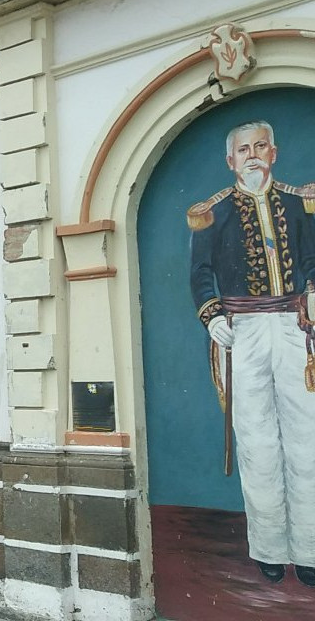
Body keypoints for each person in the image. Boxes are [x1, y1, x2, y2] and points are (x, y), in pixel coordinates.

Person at [188, 120, 315, 586]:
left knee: (307, 440)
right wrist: (213, 315)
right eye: (244, 149)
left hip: (296, 327)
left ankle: (309, 550)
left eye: (261, 146)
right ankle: (268, 548)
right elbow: (200, 274)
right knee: (257, 443)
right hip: (242, 332)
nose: (253, 155)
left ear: (274, 152)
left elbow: (312, 260)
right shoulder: (212, 213)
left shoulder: (301, 203)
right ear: (231, 160)